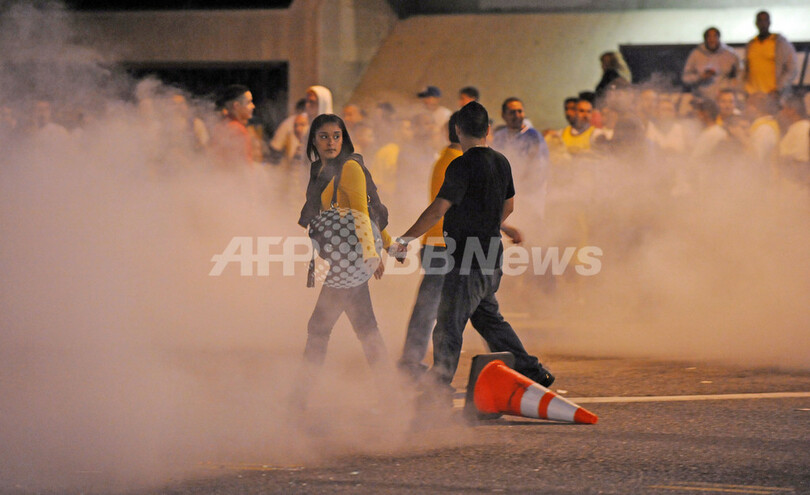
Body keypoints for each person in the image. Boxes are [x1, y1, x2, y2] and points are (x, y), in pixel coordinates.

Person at [391, 101, 554, 405]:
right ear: (488, 129)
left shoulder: (460, 165)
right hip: (492, 255)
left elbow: (438, 209)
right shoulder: (501, 162)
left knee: (448, 324)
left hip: (466, 257)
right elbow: (509, 206)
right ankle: (532, 370)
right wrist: (493, 225)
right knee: (488, 319)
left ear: (458, 130)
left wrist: (405, 239)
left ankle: (437, 387)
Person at [297, 114, 393, 382]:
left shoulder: (349, 167)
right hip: (344, 260)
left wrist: (373, 254)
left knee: (319, 327)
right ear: (314, 141)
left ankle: (299, 396)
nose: (331, 142)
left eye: (336, 136)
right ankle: (391, 392)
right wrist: (390, 245)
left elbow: (363, 212)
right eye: (324, 137)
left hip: (353, 261)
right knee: (366, 329)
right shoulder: (320, 171)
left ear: (343, 139)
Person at [743, 11, 798, 96]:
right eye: (760, 20)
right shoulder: (751, 44)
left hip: (774, 95)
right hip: (753, 95)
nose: (763, 24)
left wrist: (779, 88)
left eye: (765, 20)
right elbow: (745, 69)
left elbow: (792, 68)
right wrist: (745, 88)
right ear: (756, 23)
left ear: (769, 22)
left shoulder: (780, 43)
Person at [682, 27, 742, 100]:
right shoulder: (695, 54)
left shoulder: (731, 55)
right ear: (705, 39)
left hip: (724, 100)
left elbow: (740, 75)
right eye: (709, 37)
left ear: (719, 37)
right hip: (702, 100)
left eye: (714, 36)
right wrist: (700, 77)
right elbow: (685, 78)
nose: (712, 40)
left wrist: (730, 86)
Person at [214, 84, 256, 166]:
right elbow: (244, 166)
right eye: (249, 102)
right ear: (236, 106)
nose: (253, 106)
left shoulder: (220, 126)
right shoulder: (238, 130)